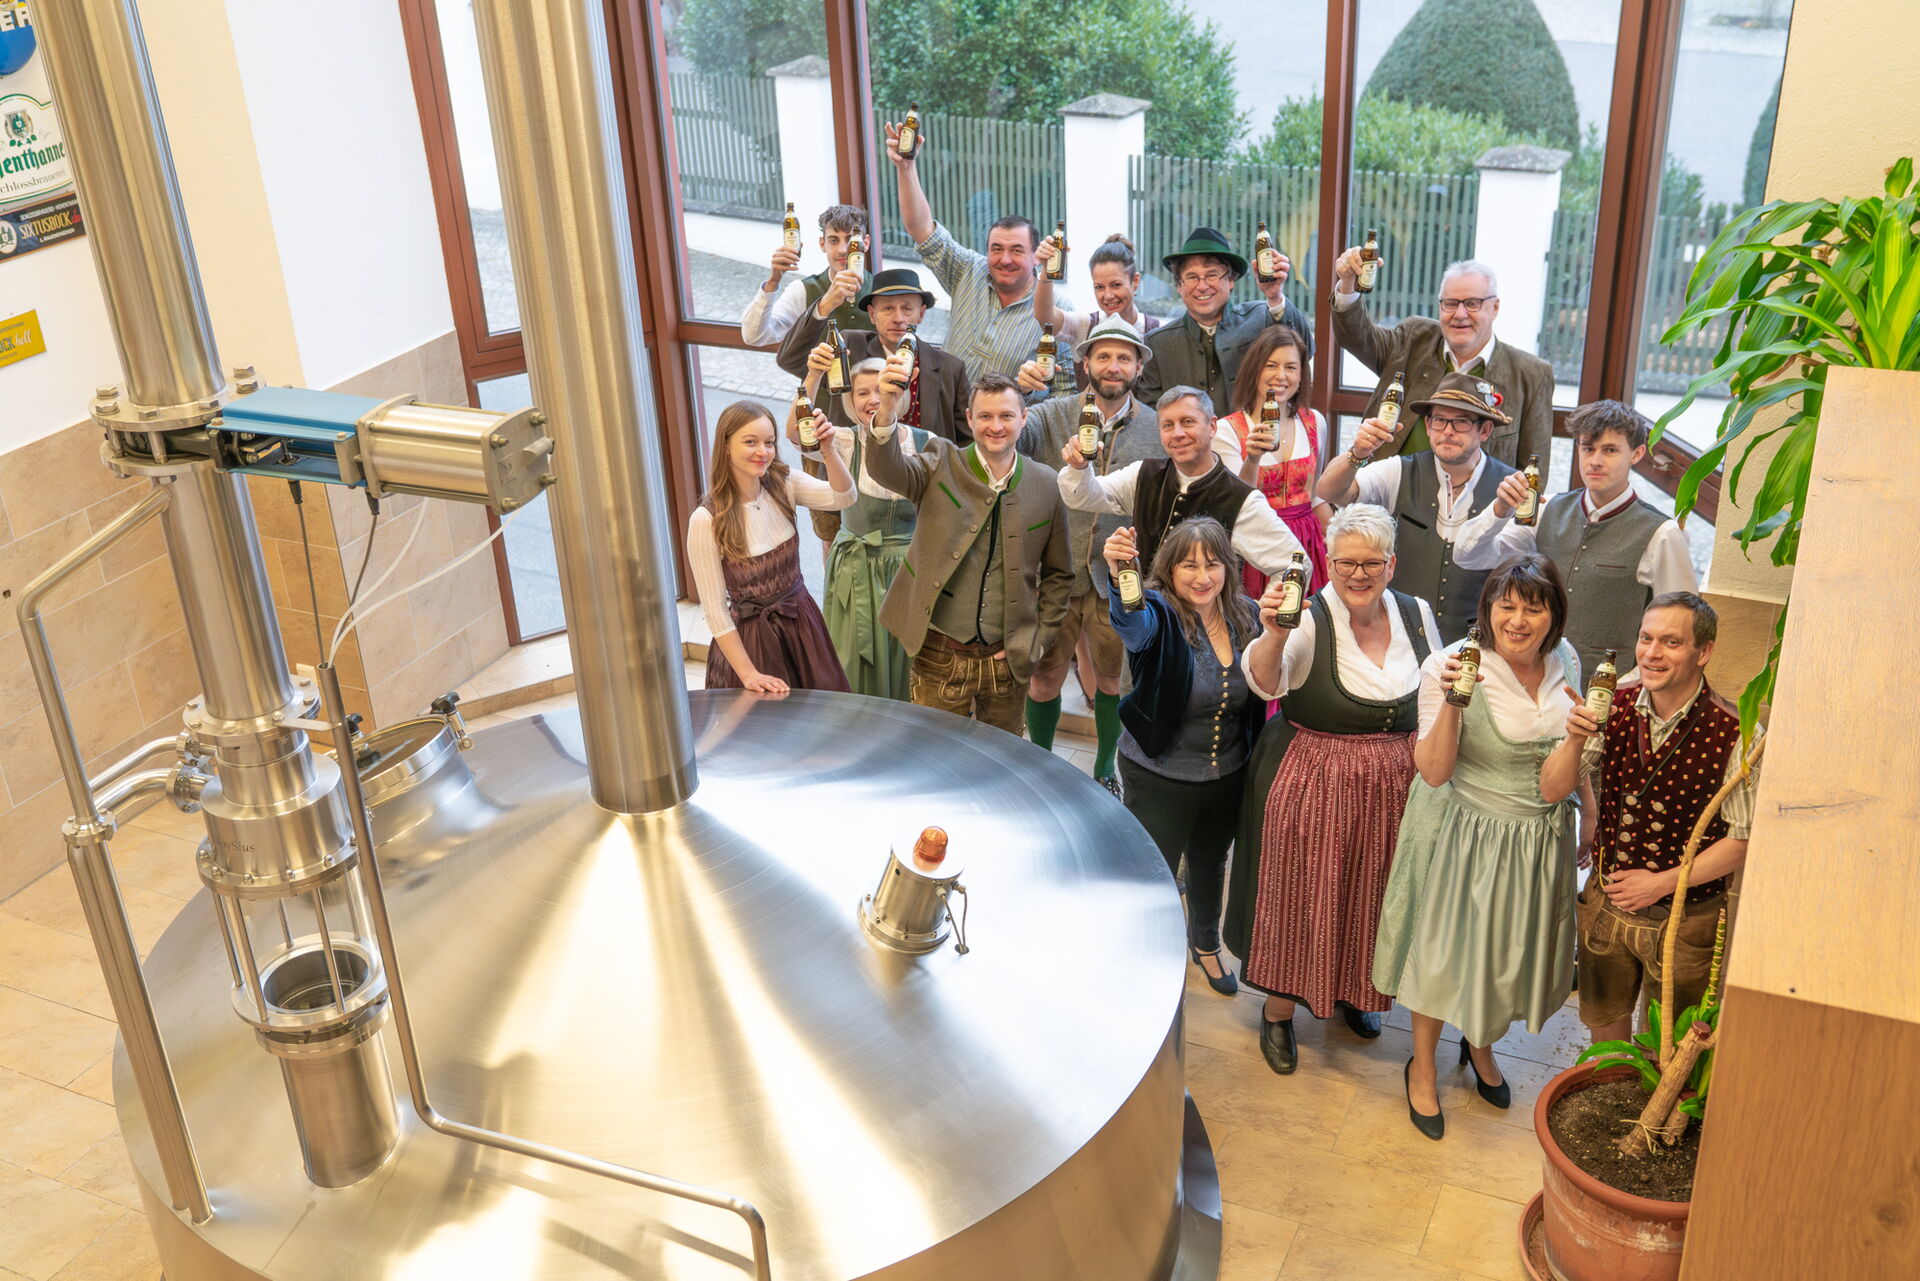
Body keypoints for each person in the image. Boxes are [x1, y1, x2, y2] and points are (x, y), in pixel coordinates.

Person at [1372, 555, 1585, 1140]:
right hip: (1464, 829)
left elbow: (1577, 746)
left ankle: (1481, 1044)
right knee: (1442, 953)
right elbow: (1434, 771)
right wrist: (1452, 705)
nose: (1517, 621)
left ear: (1554, 615)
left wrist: (1588, 811)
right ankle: (1422, 1064)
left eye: (1533, 608)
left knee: (1502, 950)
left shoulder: (1567, 660)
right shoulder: (1449, 666)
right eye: (1505, 606)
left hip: (1537, 838)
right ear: (1487, 609)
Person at [1228, 505, 1439, 1075]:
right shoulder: (1308, 616)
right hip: (1312, 777)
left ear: (1392, 564)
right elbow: (1265, 682)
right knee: (1299, 894)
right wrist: (1274, 635)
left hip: (1394, 788)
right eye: (1346, 562)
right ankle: (1278, 1011)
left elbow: (1435, 694)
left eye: (1372, 562)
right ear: (1330, 560)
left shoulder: (1417, 613)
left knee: (1370, 893)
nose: (1358, 574)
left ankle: (1353, 991)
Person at [1539, 593, 1762, 1047]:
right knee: (1605, 1031)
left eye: (1671, 642)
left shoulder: (1737, 731)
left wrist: (1661, 883)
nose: (1652, 654)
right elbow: (1551, 790)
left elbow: (1743, 840)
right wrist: (1575, 740)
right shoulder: (1612, 704)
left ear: (1704, 651)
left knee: (1666, 1046)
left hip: (1687, 916)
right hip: (1607, 902)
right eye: (1646, 639)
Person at [863, 365, 1074, 734]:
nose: (996, 426)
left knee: (1000, 758)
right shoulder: (940, 461)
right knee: (932, 753)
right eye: (985, 416)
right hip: (939, 651)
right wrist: (886, 409)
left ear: (1023, 419)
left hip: (1008, 657)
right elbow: (887, 470)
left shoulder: (1046, 484)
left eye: (1006, 416)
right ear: (969, 419)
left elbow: (1059, 575)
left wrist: (1037, 642)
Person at [1102, 517, 1263, 997]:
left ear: (1228, 568)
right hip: (1159, 774)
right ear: (1169, 570)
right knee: (1153, 872)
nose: (1202, 576)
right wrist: (1118, 576)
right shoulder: (1156, 611)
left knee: (1211, 863)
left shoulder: (1247, 615)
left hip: (1228, 772)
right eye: (1189, 565)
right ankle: (1141, 950)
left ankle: (1206, 943)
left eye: (1212, 564)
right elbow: (1132, 627)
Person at [1013, 314, 1162, 793]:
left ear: (1139, 367)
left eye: (1124, 357)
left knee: (1113, 680)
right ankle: (1040, 765)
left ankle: (1103, 769)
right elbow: (1010, 435)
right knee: (1044, 677)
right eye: (1103, 356)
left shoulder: (1159, 428)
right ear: (1086, 364)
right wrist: (1020, 394)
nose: (1113, 366)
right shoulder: (1051, 414)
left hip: (1120, 576)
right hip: (1055, 570)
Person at [1449, 400, 1699, 680]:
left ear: (1637, 453)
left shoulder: (1661, 532)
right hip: (1532, 681)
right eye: (1587, 448)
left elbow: (1682, 627)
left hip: (1609, 690)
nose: (1596, 461)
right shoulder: (1547, 509)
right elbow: (1467, 556)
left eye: (1610, 450)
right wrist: (1499, 509)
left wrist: (1630, 686)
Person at [1316, 371, 1517, 642]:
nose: (1447, 431)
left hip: (1479, 645)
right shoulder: (1399, 471)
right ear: (1428, 425)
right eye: (1440, 420)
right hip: (1401, 639)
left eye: (1461, 422)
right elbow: (1329, 491)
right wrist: (1357, 452)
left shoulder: (1511, 488)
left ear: (1485, 430)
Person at [687, 400, 857, 694]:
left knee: (823, 712)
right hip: (752, 642)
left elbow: (844, 497)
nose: (763, 452)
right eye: (750, 442)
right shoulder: (706, 519)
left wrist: (828, 451)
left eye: (769, 442)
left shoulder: (784, 483)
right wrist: (749, 675)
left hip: (804, 625)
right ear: (726, 446)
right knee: (767, 718)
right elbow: (715, 610)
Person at [791, 352, 930, 700]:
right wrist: (813, 375)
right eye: (862, 392)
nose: (873, 400)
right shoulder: (843, 440)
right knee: (853, 658)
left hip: (909, 571)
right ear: (850, 400)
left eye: (880, 390)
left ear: (898, 393)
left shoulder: (925, 443)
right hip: (856, 568)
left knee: (907, 662)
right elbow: (796, 433)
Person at [1058, 386, 1306, 582]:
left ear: (1212, 426)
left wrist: (1266, 617)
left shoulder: (1241, 499)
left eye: (1187, 422)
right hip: (1145, 622)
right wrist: (1079, 467)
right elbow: (1083, 496)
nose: (1177, 433)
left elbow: (1296, 565)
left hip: (1206, 627)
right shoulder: (1143, 474)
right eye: (1168, 425)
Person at [884, 117, 1065, 384]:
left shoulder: (1057, 309)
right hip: (943, 406)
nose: (1005, 259)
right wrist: (906, 167)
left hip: (1009, 412)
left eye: (1016, 250)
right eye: (996, 249)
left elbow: (1065, 389)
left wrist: (1031, 393)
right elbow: (921, 230)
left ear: (1035, 255)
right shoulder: (968, 270)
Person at [1329, 253, 1552, 467]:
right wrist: (1348, 284)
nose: (1460, 314)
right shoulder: (1413, 339)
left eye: (1472, 303)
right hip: (1388, 490)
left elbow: (1533, 469)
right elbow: (1355, 337)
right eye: (1450, 303)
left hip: (1476, 495)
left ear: (1495, 308)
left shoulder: (1530, 375)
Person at [778, 266, 969, 443]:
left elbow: (966, 441)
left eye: (907, 308)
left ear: (921, 314)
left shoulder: (950, 368)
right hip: (853, 463)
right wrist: (824, 307)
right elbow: (791, 360)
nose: (898, 319)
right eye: (888, 308)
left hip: (923, 466)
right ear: (872, 314)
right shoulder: (851, 345)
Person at [1136, 225, 1313, 412]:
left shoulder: (1262, 318)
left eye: (1212, 275)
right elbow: (1150, 413)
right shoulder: (1158, 343)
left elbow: (1305, 351)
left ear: (1231, 280)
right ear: (1179, 286)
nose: (1202, 286)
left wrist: (1275, 296)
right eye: (1192, 277)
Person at [1218, 324, 1331, 599]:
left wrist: (1338, 544)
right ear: (1254, 370)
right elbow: (1237, 505)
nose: (1281, 376)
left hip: (1309, 545)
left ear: (1301, 375)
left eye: (1291, 367)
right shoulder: (1227, 431)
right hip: (1257, 549)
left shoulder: (1314, 421)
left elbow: (1316, 495)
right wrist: (1253, 459)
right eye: (1271, 365)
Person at [1032, 232, 1162, 389]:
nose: (1108, 295)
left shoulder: (1155, 332)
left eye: (1116, 285)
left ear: (1135, 281)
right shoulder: (1084, 325)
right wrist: (1047, 270)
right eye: (1099, 287)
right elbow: (1044, 316)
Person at [740, 204, 873, 348]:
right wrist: (773, 281)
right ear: (822, 244)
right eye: (834, 241)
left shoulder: (881, 289)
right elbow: (753, 337)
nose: (842, 250)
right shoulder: (803, 291)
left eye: (851, 241)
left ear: (865, 243)